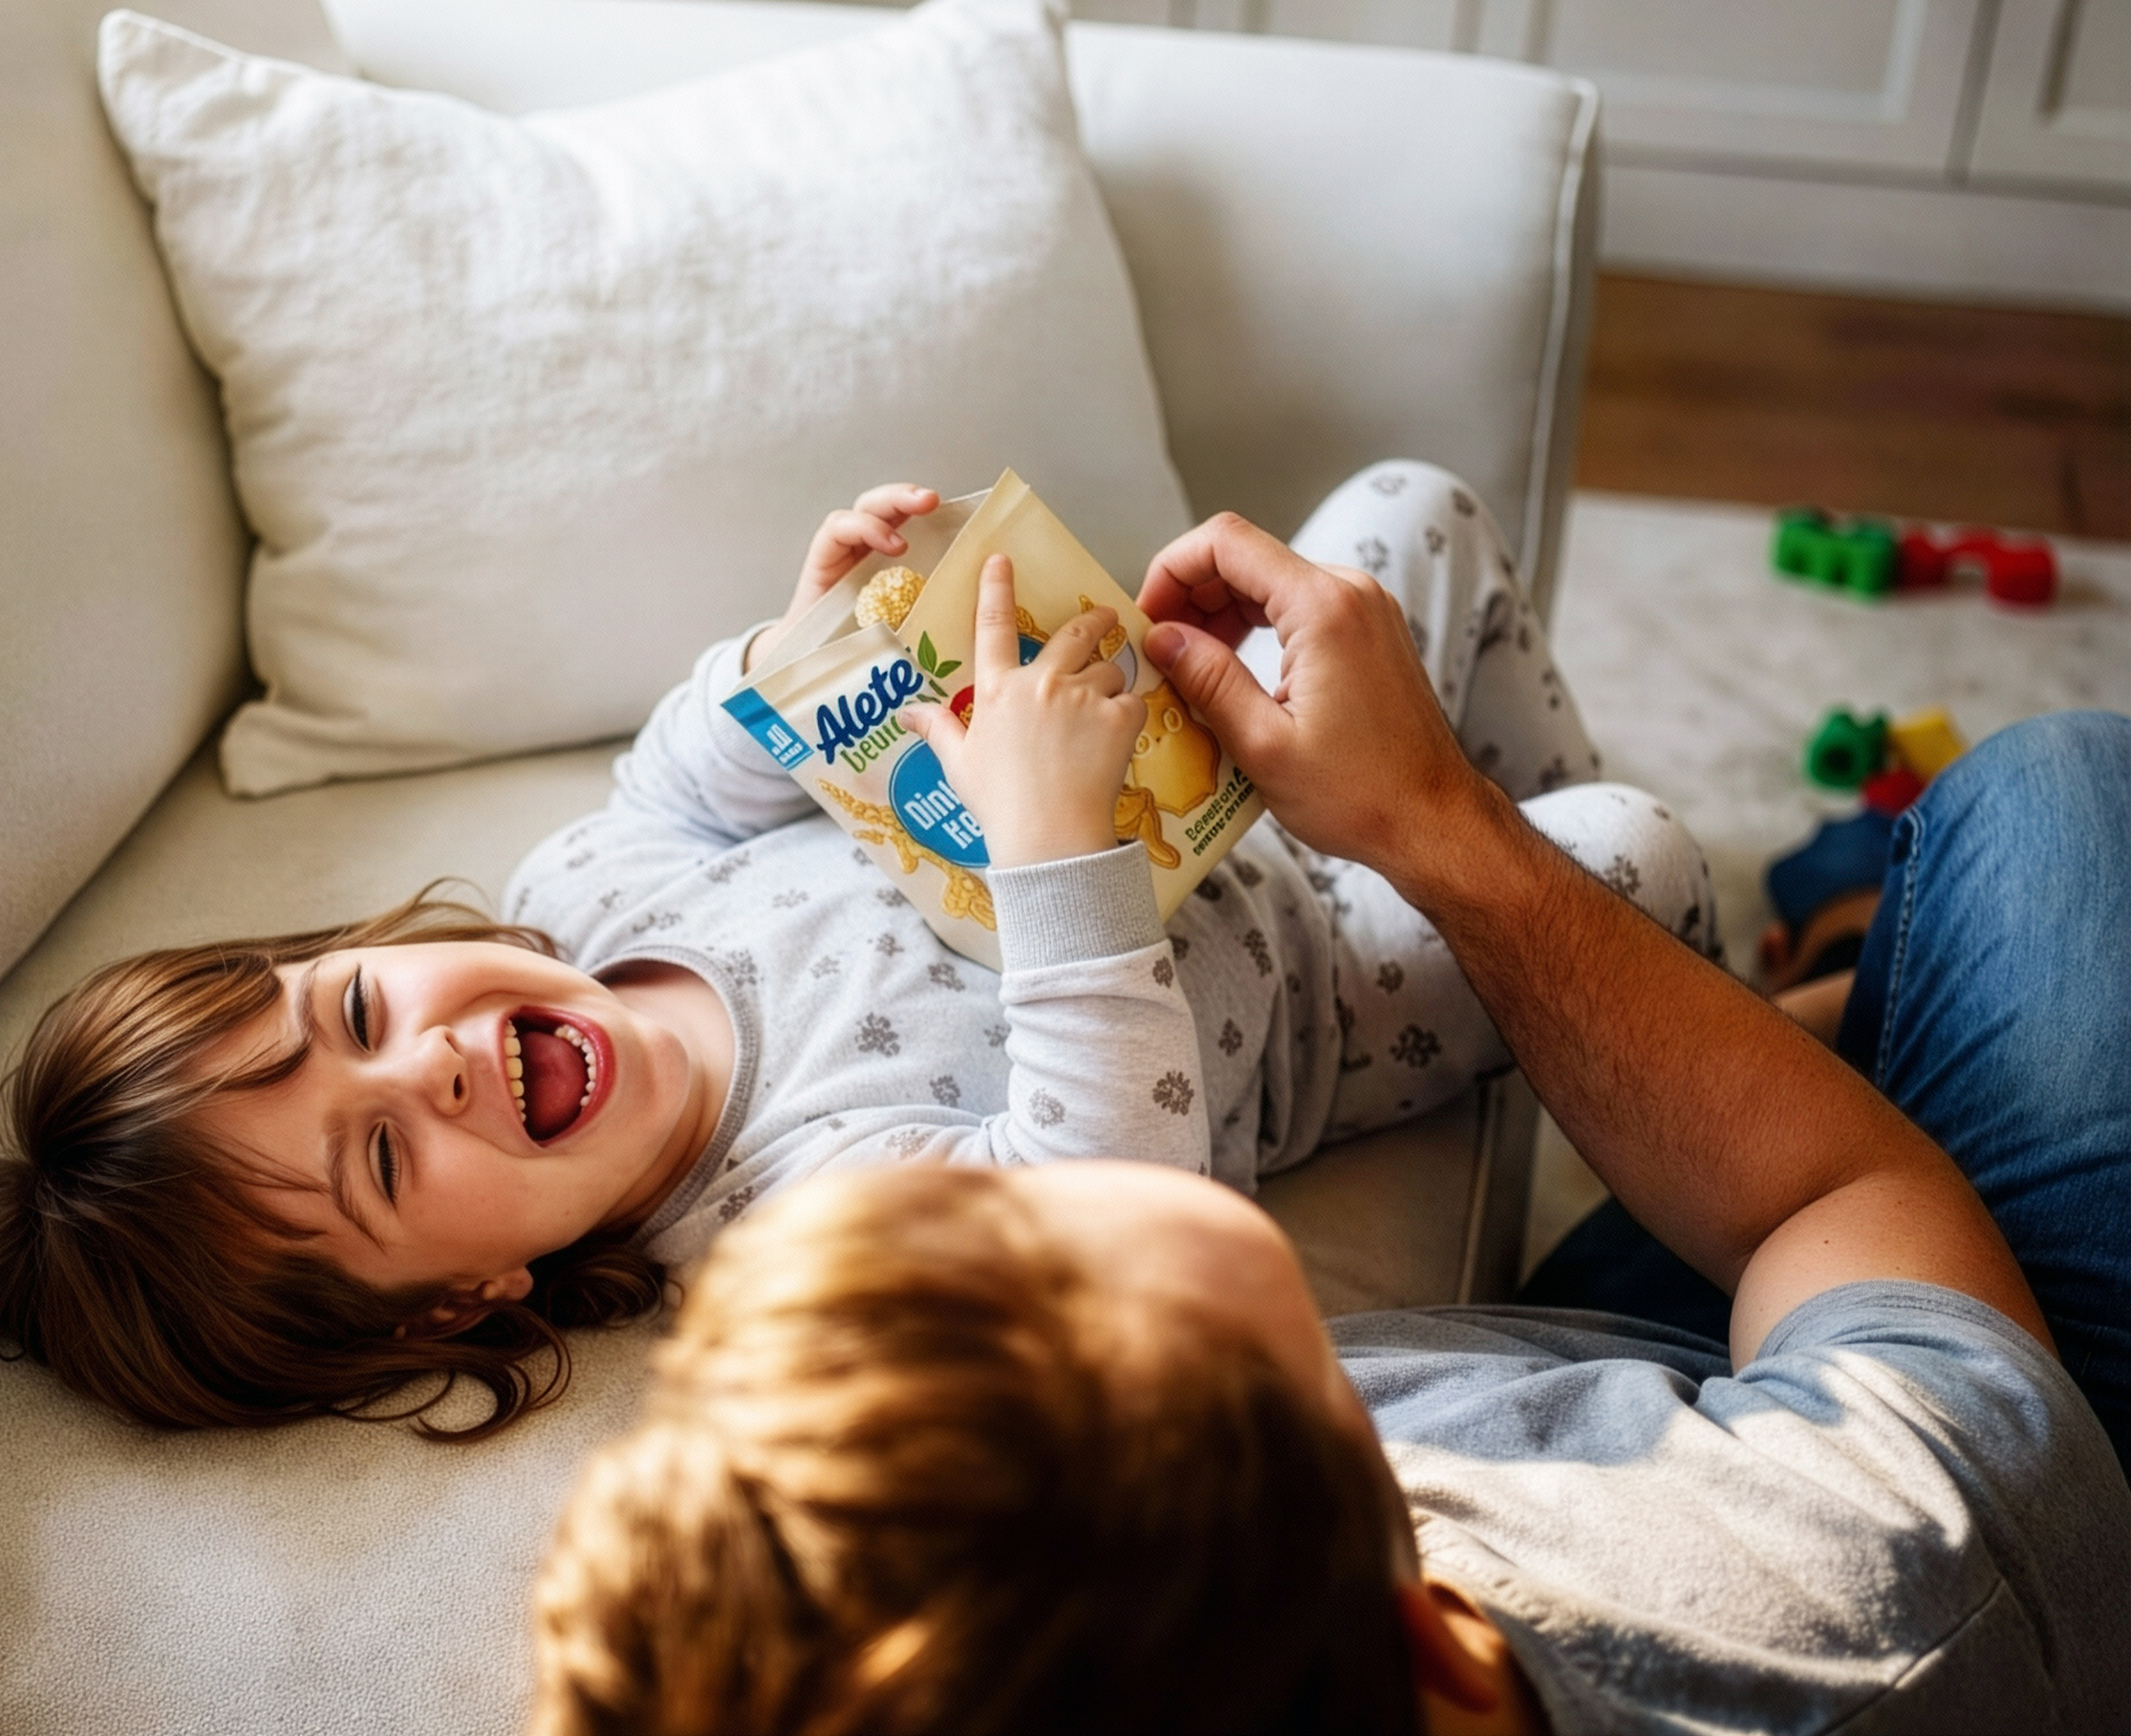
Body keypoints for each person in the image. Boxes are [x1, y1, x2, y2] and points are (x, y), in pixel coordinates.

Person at [527, 504, 2131, 1732]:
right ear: (1431, 1613)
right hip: (1975, 1418)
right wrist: (1436, 822)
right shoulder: (1880, 1570)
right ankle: (1865, 965)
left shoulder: (1204, 1625)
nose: (1003, 1238)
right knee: (2051, 809)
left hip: (1692, 1373)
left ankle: (1860, 978)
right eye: (1180, 1348)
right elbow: (1829, 1201)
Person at [0, 465, 1709, 1432]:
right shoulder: (792, 1234)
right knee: (1632, 857)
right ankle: (1667, 983)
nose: (426, 1062)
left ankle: (1538, 847)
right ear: (457, 1306)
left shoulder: (591, 906)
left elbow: (682, 780)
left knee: (1411, 514)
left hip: (1210, 776)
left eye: (353, 1011)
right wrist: (1056, 843)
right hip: (1321, 989)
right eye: (383, 1155)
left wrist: (805, 643)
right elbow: (1111, 1190)